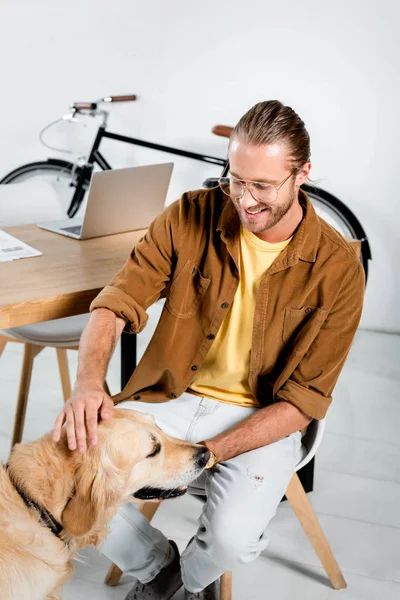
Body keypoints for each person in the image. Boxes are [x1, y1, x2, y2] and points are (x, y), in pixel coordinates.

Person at [53, 100, 365, 600]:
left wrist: (205, 455)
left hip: (263, 416)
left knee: (231, 541)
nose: (244, 199)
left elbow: (304, 400)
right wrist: (89, 385)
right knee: (63, 477)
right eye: (235, 179)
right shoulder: (189, 216)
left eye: (262, 185)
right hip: (168, 397)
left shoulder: (339, 267)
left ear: (303, 174)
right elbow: (115, 303)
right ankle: (160, 571)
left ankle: (193, 583)